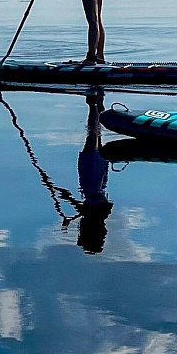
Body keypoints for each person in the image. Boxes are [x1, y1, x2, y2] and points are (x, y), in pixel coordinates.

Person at [74, 89, 113, 255]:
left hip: (98, 182)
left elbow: (84, 207)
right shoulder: (92, 214)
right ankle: (94, 103)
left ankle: (98, 102)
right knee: (92, 136)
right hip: (91, 182)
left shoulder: (99, 215)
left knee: (95, 138)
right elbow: (85, 207)